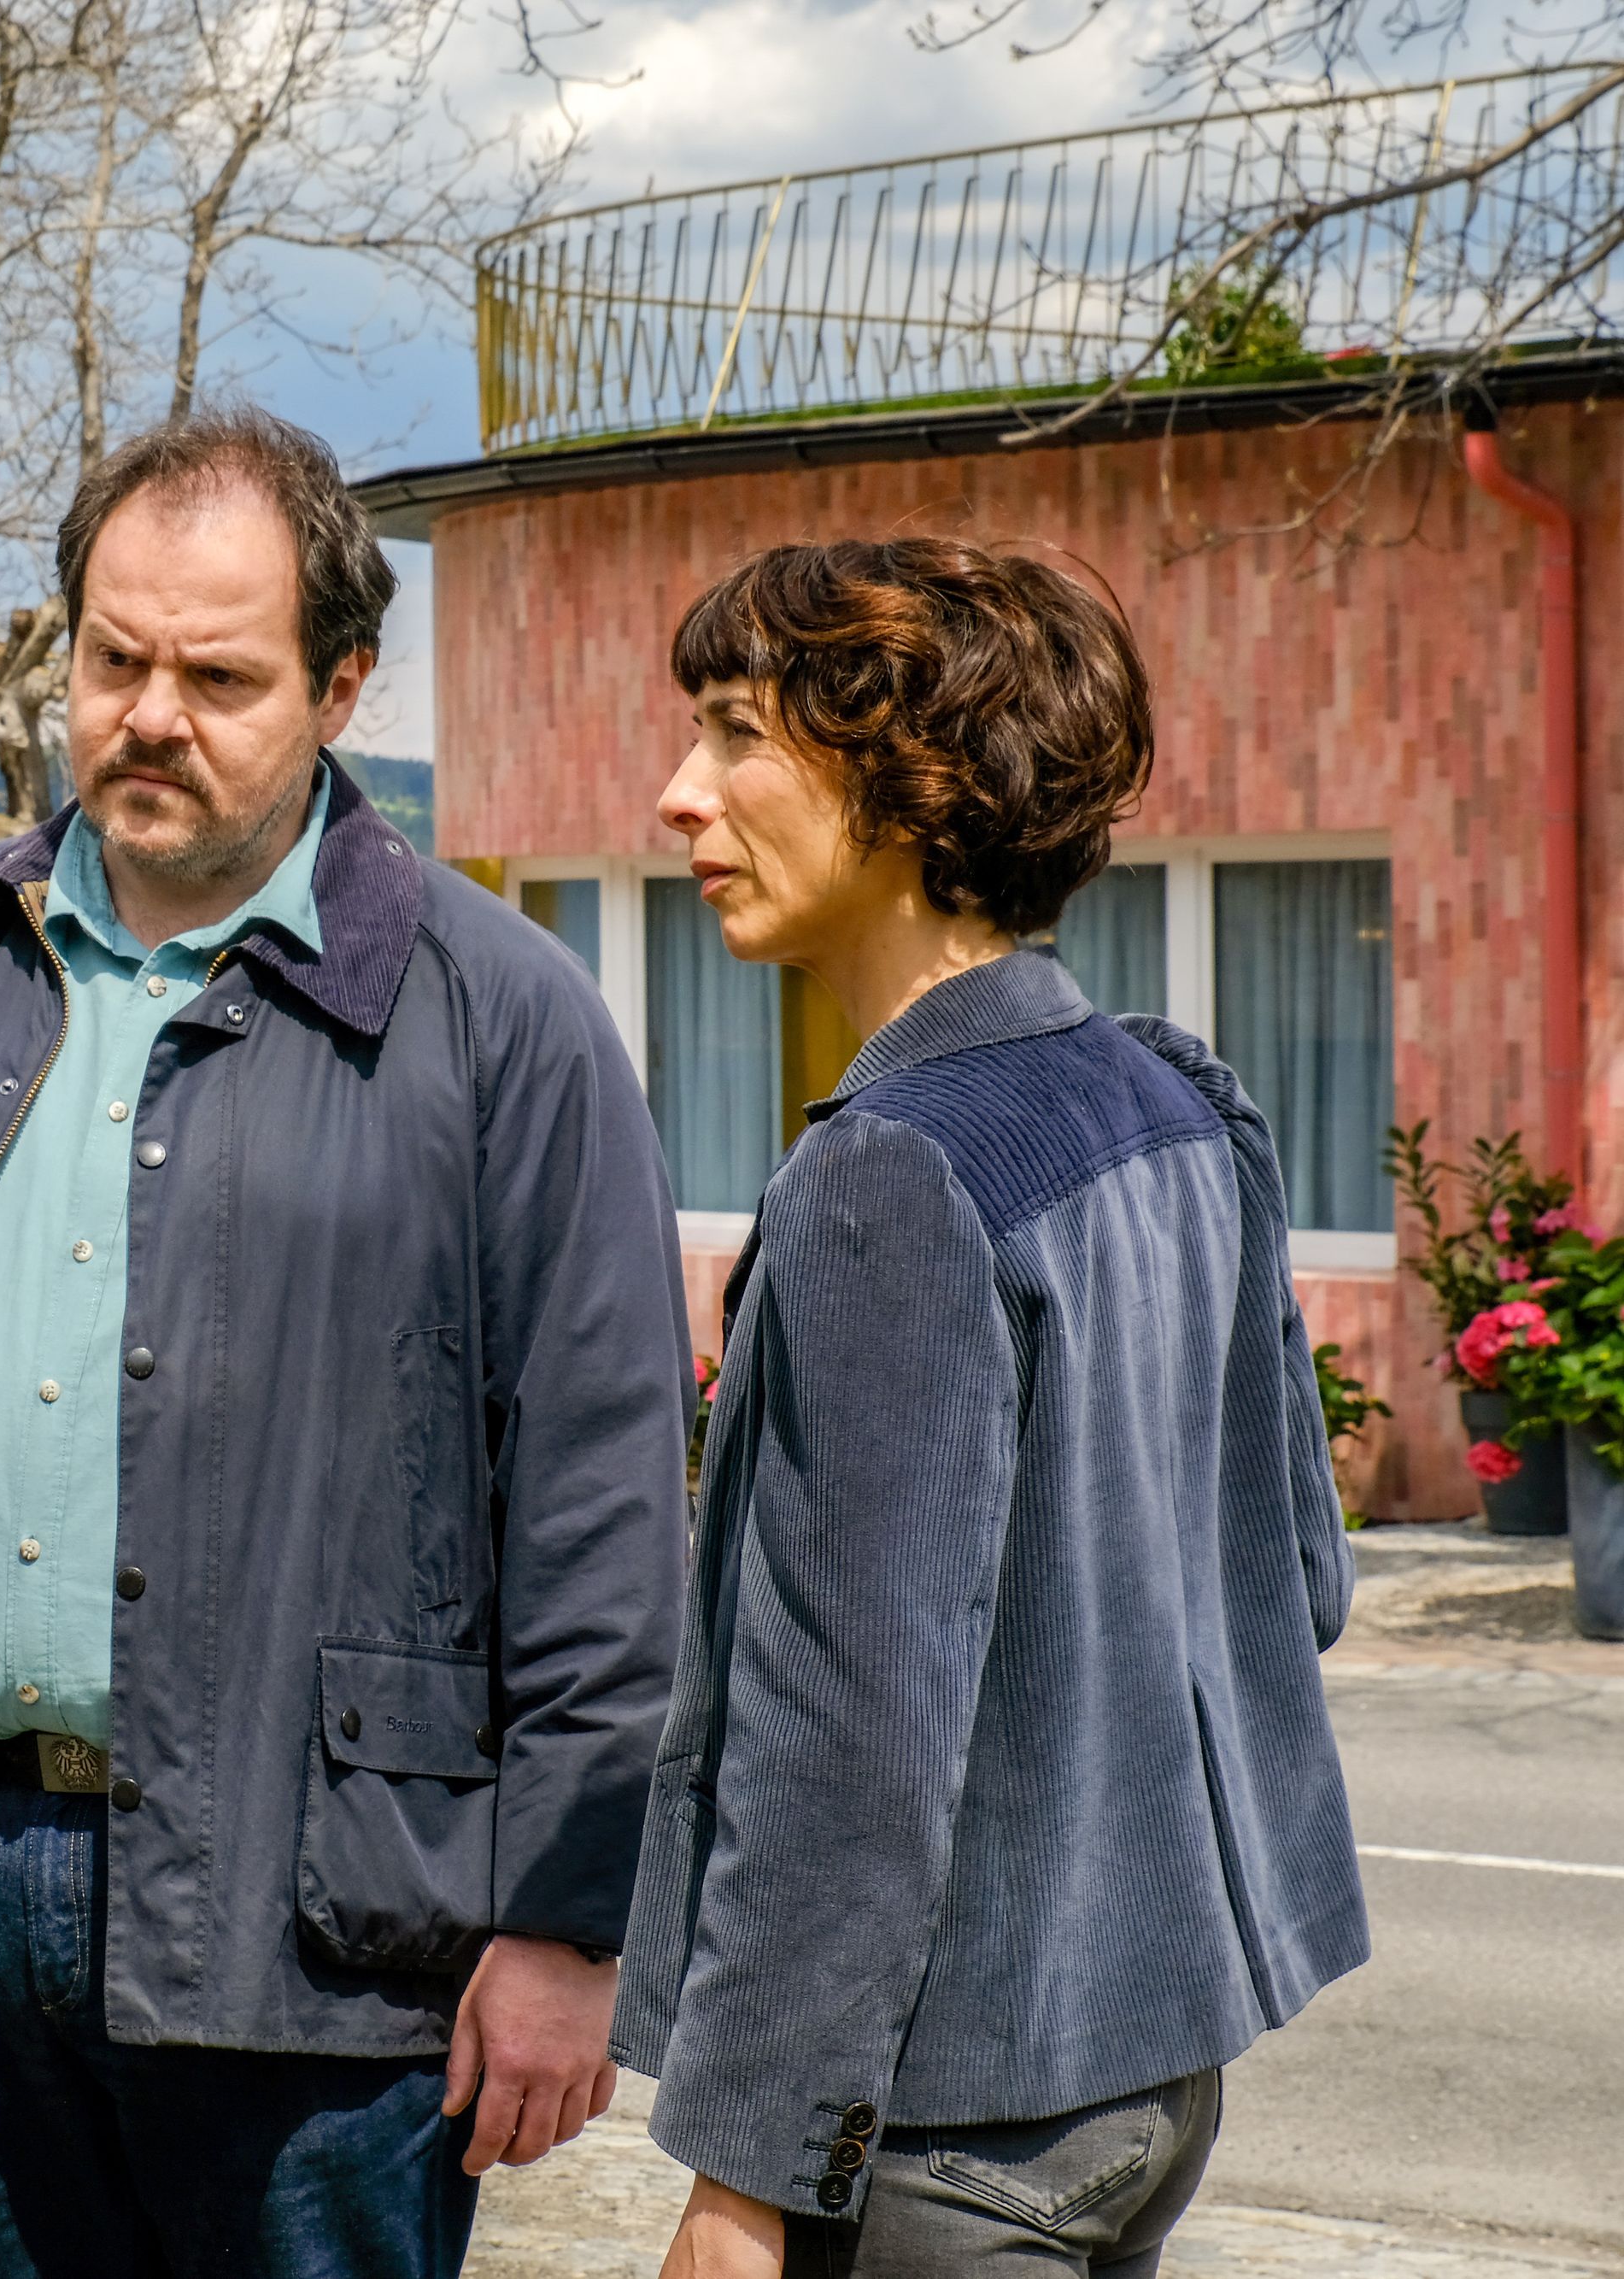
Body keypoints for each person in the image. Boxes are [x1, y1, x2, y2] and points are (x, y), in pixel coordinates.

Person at [0, 405, 693, 2277]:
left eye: (216, 674)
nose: (148, 713)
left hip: (322, 1904)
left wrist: (562, 1923)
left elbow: (602, 1513)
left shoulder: (500, 1021)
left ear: (339, 685)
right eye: (111, 657)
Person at [620, 539, 1369, 2279]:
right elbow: (1294, 1582)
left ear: (906, 780)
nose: (677, 793)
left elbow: (843, 1745)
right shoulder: (1180, 1098)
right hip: (1152, 2069)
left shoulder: (883, 1175)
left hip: (936, 2125)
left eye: (735, 734)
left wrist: (734, 2182)